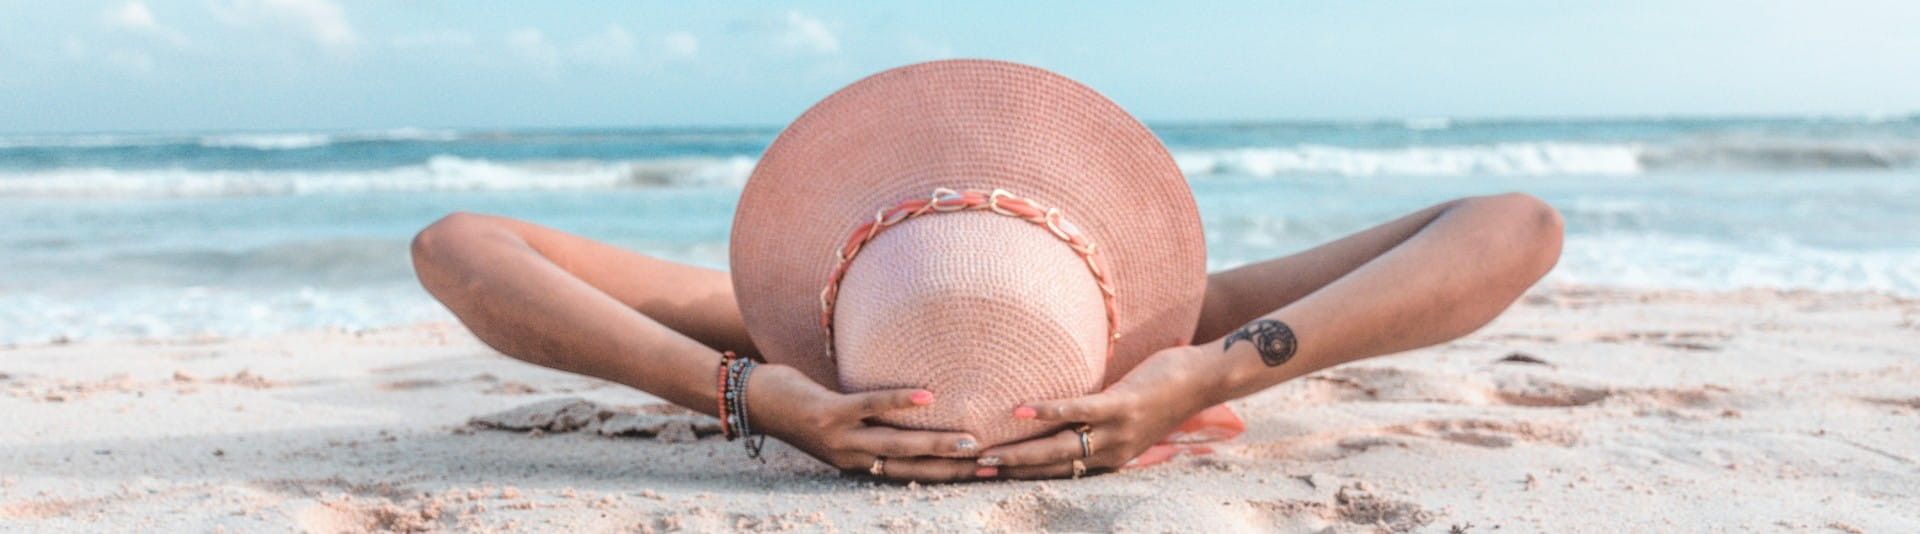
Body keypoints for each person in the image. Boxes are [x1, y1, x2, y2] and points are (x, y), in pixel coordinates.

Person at [410, 60, 1562, 483]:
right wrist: (1201, 374)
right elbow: (1513, 222)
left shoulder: (791, 337)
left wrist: (751, 390)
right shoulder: (1173, 326)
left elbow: (1516, 226)